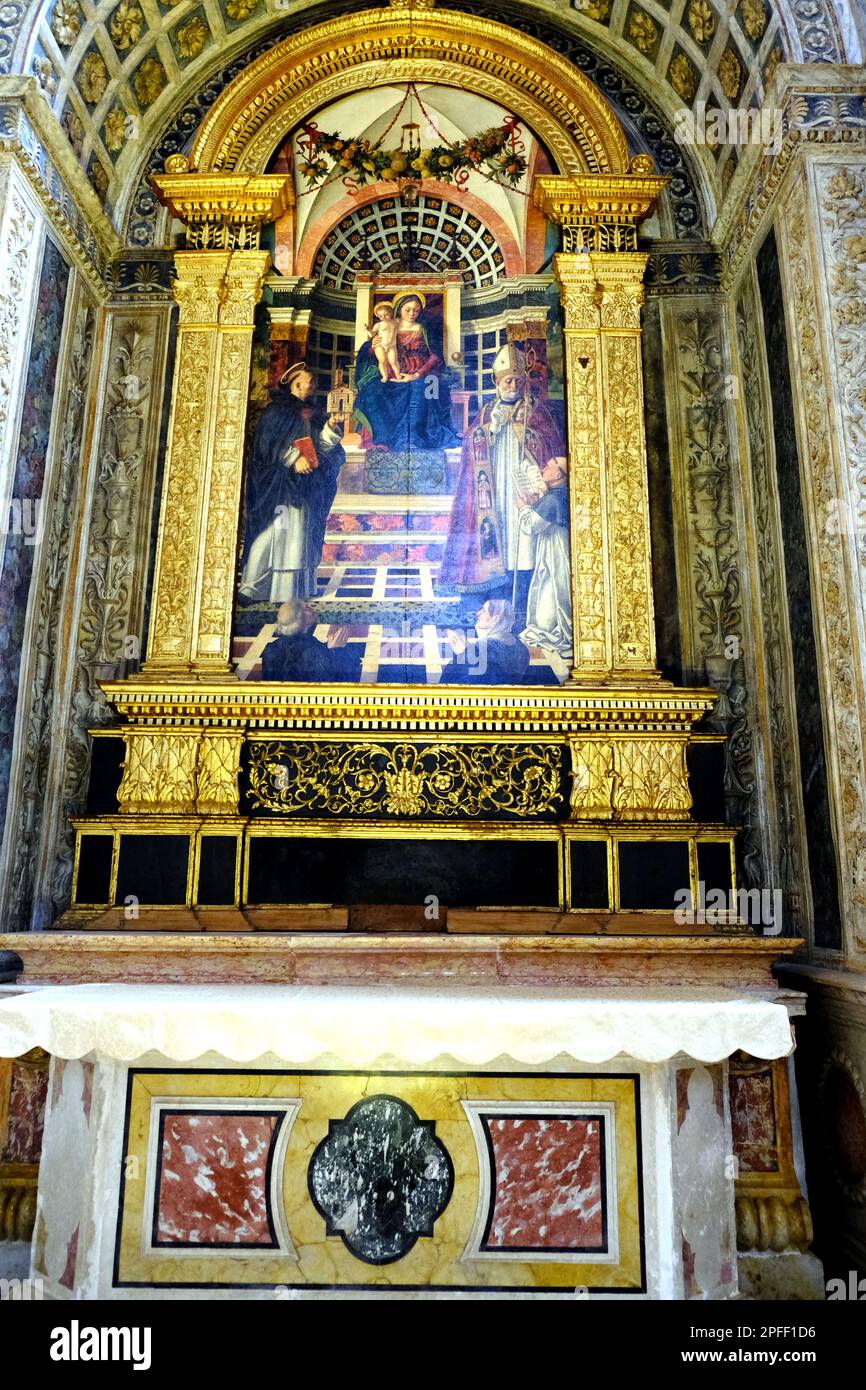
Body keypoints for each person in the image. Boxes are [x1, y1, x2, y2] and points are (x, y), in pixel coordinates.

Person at [438, 343, 565, 624]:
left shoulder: (536, 411)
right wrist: (490, 430)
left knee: (523, 542)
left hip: (523, 488)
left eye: (518, 381)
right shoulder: (486, 412)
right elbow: (470, 448)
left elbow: (550, 445)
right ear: (497, 382)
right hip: (493, 490)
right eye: (508, 380)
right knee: (493, 537)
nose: (513, 385)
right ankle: (490, 597)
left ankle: (521, 602)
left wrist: (526, 432)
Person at [239, 363, 344, 603]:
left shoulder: (312, 413)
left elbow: (321, 450)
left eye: (313, 382)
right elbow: (265, 447)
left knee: (298, 537)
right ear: (295, 384)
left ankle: (292, 590)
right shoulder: (275, 412)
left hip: (305, 486)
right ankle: (253, 587)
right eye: (308, 381)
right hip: (278, 486)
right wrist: (293, 459)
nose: (312, 385)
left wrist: (330, 427)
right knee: (271, 533)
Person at [353, 293, 459, 452]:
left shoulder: (422, 329)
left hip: (420, 372)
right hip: (392, 371)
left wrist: (416, 374)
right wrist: (373, 345)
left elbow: (435, 356)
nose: (412, 313)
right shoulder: (388, 325)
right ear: (398, 309)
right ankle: (382, 439)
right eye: (407, 310)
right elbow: (371, 352)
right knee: (372, 391)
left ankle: (416, 439)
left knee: (424, 389)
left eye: (416, 310)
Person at [517, 456, 573, 660]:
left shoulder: (554, 499)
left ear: (558, 475)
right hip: (553, 550)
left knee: (553, 591)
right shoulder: (557, 494)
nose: (542, 469)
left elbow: (529, 526)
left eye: (548, 467)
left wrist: (523, 507)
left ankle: (557, 635)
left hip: (556, 553)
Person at [261, 600, 361, 682]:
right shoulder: (315, 651)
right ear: (300, 618)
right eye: (306, 608)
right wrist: (336, 650)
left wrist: (328, 648)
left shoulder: (270, 648)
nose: (311, 609)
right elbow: (332, 680)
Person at [442, 599, 529, 685]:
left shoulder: (482, 649)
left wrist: (465, 654)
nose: (478, 613)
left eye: (483, 611)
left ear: (496, 619)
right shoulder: (521, 647)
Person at [367, 301, 401, 383]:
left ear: (391, 313)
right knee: (382, 361)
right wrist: (368, 330)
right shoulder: (378, 325)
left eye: (386, 314)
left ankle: (398, 375)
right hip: (380, 345)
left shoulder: (395, 322)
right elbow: (371, 335)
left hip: (392, 346)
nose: (383, 317)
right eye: (380, 316)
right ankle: (385, 376)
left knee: (393, 361)